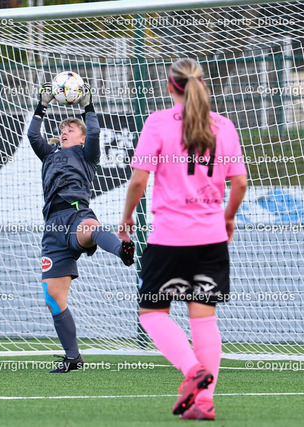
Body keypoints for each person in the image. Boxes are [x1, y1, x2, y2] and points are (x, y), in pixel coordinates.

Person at [119, 58, 247, 420]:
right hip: (211, 239)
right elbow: (239, 183)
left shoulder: (157, 122)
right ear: (201, 83)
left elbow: (140, 181)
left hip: (170, 238)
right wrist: (229, 218)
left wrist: (127, 217)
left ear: (170, 86)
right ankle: (204, 402)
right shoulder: (224, 125)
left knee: (151, 312)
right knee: (204, 320)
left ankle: (193, 372)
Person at [28, 81, 135, 373]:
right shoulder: (48, 154)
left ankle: (122, 250)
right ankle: (73, 358)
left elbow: (96, 131)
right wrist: (43, 104)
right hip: (52, 229)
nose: (64, 132)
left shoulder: (87, 154)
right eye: (62, 130)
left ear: (81, 138)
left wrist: (88, 105)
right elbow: (33, 134)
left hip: (77, 215)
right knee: (53, 297)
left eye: (71, 130)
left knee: (89, 228)